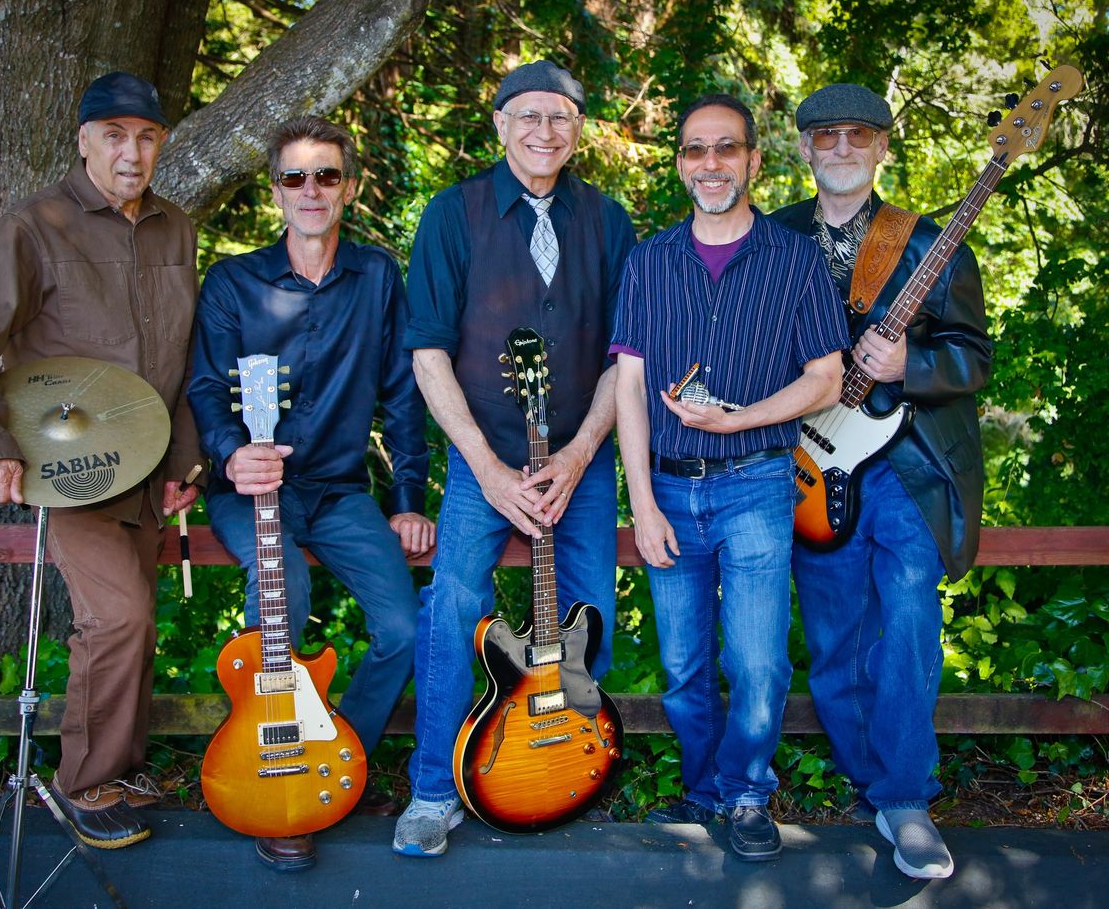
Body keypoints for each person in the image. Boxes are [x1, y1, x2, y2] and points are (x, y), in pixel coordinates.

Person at [0, 72, 202, 848]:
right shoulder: (33, 227)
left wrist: (187, 461)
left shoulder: (175, 228)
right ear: (83, 140)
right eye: (114, 135)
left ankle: (124, 764)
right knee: (117, 615)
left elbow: (185, 357)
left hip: (151, 466)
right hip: (68, 469)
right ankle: (84, 783)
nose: (131, 151)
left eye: (147, 136)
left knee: (138, 626)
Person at [394, 60, 635, 857]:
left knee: (587, 612)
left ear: (578, 130)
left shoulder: (609, 221)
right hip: (481, 460)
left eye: (561, 116)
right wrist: (490, 473)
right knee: (452, 610)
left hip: (581, 462)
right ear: (499, 125)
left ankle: (567, 765)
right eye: (528, 116)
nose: (544, 130)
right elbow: (428, 354)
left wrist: (578, 454)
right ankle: (434, 789)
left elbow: (623, 359)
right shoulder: (452, 215)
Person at [186, 115, 433, 872]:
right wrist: (233, 457)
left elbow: (402, 393)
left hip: (338, 492)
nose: (311, 190)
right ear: (276, 192)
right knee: (283, 601)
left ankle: (337, 757)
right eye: (295, 177)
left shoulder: (377, 276)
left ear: (348, 187)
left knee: (404, 627)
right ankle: (276, 779)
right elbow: (202, 385)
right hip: (252, 492)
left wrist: (408, 498)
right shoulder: (233, 280)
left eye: (326, 175)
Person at [612, 93, 850, 862]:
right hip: (670, 489)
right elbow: (629, 387)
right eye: (694, 150)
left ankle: (746, 792)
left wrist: (741, 418)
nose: (709, 164)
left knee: (755, 657)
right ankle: (703, 787)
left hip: (757, 483)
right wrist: (641, 501)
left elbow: (826, 377)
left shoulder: (795, 258)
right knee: (683, 663)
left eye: (725, 149)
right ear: (681, 162)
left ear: (753, 160)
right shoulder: (648, 261)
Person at [771, 83, 990, 880]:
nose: (840, 149)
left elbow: (975, 354)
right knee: (832, 633)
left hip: (907, 464)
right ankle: (870, 775)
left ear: (883, 147)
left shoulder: (930, 242)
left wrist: (914, 362)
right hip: (811, 459)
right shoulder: (773, 237)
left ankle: (905, 794)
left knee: (905, 617)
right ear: (801, 148)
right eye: (823, 136)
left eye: (857, 136)